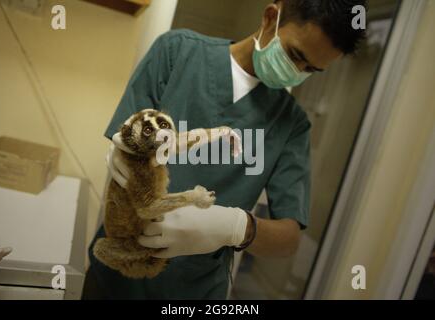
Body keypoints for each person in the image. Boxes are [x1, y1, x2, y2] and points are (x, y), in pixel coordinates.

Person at [83, 0, 367, 299]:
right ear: (271, 17)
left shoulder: (291, 124)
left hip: (193, 291)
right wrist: (123, 154)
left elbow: (289, 238)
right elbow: (126, 134)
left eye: (311, 69)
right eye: (295, 55)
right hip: (115, 275)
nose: (296, 72)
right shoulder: (176, 53)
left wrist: (235, 227)